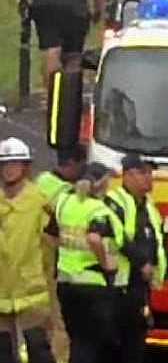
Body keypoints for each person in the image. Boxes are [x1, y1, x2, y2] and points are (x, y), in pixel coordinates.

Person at [104, 154, 168, 363]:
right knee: (115, 344)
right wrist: (142, 263)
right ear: (128, 175)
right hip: (118, 285)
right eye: (143, 173)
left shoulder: (149, 206)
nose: (149, 178)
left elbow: (161, 239)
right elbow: (119, 237)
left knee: (136, 343)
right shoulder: (114, 202)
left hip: (140, 287)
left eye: (150, 173)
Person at [50, 162, 128, 363]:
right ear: (101, 183)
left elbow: (51, 235)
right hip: (93, 283)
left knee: (76, 340)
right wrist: (106, 265)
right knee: (90, 344)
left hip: (65, 282)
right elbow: (94, 238)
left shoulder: (64, 202)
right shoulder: (98, 209)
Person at [0, 138, 56, 363]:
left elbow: (54, 238)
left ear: (25, 167)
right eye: (4, 164)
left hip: (31, 289)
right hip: (1, 290)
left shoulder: (38, 201)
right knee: (3, 351)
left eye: (14, 164)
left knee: (38, 348)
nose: (8, 169)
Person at [34, 144, 84, 363]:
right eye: (81, 166)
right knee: (58, 322)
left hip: (33, 262)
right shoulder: (65, 193)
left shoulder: (42, 180)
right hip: (52, 262)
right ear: (72, 163)